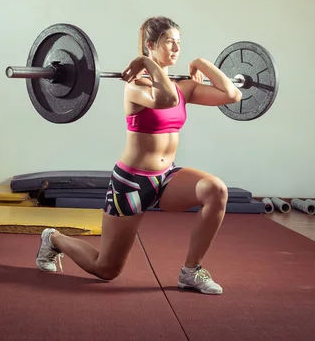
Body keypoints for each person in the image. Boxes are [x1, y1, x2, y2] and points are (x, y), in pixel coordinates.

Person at [35, 16, 242, 294]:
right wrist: (145, 63)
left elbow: (232, 95)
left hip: (167, 177)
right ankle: (54, 239)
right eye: (169, 42)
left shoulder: (184, 87)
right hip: (131, 183)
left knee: (216, 190)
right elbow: (166, 99)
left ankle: (191, 272)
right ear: (150, 45)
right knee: (106, 270)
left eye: (179, 43)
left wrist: (202, 63)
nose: (176, 49)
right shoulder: (135, 87)